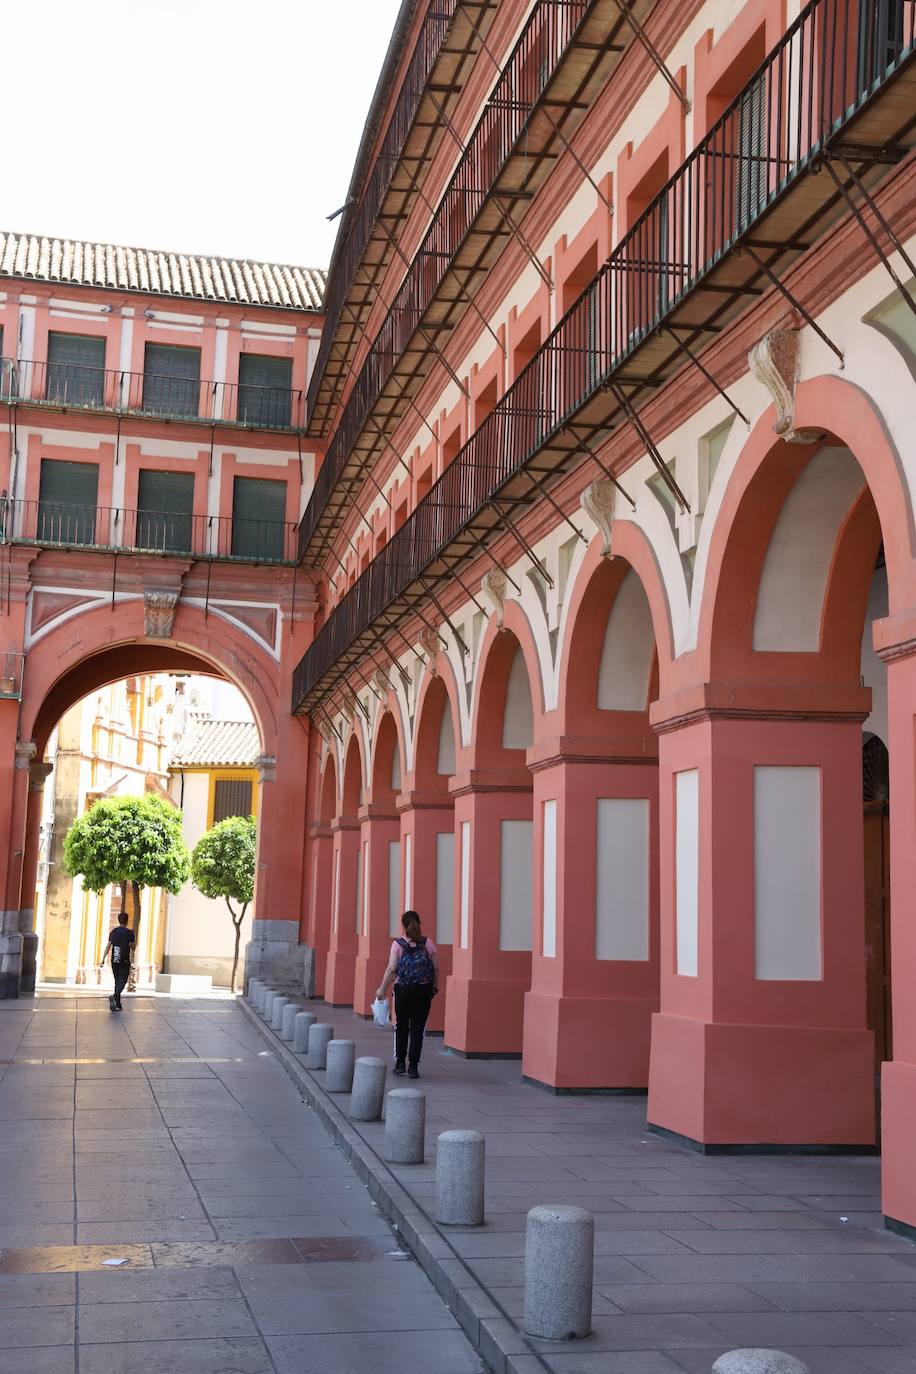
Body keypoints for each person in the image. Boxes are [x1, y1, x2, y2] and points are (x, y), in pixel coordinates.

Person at [375, 911, 438, 1078]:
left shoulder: (398, 944)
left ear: (403, 926)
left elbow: (391, 969)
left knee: (401, 1027)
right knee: (417, 1029)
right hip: (423, 990)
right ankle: (413, 1068)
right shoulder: (428, 943)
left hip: (402, 990)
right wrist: (435, 986)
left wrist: (382, 989)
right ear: (419, 924)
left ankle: (400, 1064)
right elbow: (436, 968)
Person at [105, 912, 135, 1012]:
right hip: (124, 960)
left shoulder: (113, 932)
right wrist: (131, 944)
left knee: (117, 981)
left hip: (115, 959)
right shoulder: (129, 933)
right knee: (122, 981)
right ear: (127, 921)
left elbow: (108, 945)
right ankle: (115, 996)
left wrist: (103, 959)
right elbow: (133, 947)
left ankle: (117, 1004)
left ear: (118, 920)